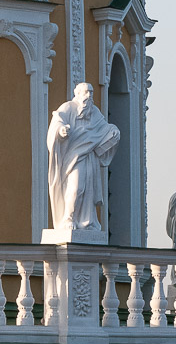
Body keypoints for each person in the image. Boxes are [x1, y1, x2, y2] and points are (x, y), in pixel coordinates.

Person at [46, 82, 121, 232]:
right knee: (76, 187)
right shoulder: (69, 107)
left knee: (88, 190)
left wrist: (113, 131)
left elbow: (103, 128)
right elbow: (58, 120)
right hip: (74, 156)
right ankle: (68, 217)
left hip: (89, 157)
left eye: (91, 93)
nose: (89, 96)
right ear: (77, 93)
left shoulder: (94, 112)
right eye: (86, 92)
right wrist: (61, 131)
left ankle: (87, 221)